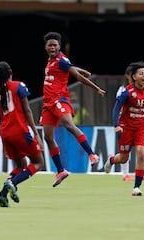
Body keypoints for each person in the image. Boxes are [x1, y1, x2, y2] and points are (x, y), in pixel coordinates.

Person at [40, 32, 106, 187]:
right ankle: (61, 170)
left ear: (59, 47)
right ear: (46, 47)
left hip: (59, 99)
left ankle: (92, 155)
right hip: (48, 104)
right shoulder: (52, 61)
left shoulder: (61, 59)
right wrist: (81, 69)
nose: (52, 47)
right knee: (48, 137)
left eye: (55, 45)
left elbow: (77, 76)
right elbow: (68, 67)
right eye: (50, 45)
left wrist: (96, 88)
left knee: (69, 126)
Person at [104, 61, 144, 196]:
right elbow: (116, 109)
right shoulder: (127, 92)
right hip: (126, 128)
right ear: (134, 77)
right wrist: (116, 125)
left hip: (142, 127)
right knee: (123, 158)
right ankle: (111, 160)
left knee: (141, 153)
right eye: (141, 73)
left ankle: (136, 187)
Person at [0, 61, 44, 207]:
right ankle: (12, 183)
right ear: (10, 72)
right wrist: (36, 134)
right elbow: (27, 110)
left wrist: (3, 143)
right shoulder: (18, 86)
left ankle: (2, 194)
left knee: (21, 165)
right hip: (20, 131)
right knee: (38, 163)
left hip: (6, 134)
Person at [118, 64, 144, 181]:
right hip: (125, 124)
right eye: (139, 73)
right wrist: (118, 123)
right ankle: (125, 173)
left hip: (140, 123)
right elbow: (118, 106)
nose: (143, 76)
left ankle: (140, 173)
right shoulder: (124, 90)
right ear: (130, 76)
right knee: (125, 154)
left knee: (143, 150)